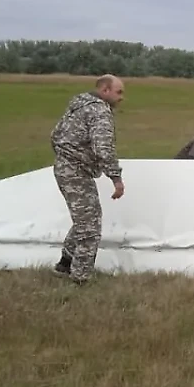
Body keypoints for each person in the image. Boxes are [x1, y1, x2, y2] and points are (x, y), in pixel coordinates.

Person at [50, 74, 126, 284]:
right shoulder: (99, 111)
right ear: (105, 91)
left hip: (65, 167)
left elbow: (55, 135)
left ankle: (65, 264)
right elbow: (103, 148)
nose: (122, 98)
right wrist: (116, 178)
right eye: (118, 92)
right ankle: (80, 278)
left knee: (85, 218)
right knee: (90, 226)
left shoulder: (78, 106)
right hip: (75, 171)